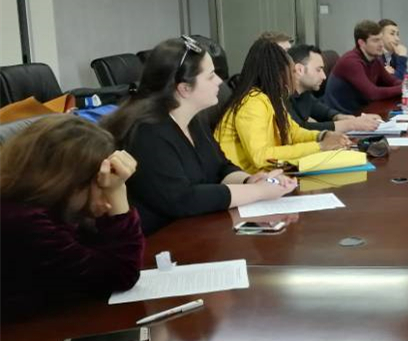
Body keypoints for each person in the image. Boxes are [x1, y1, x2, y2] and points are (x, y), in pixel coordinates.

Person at [103, 37, 298, 235]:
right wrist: (258, 192)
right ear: (184, 88)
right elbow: (182, 199)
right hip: (158, 240)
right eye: (211, 76)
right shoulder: (147, 132)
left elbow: (221, 168)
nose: (220, 81)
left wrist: (250, 180)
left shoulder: (194, 121)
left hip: (195, 230)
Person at [0, 115, 144, 320]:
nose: (106, 189)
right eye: (101, 182)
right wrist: (116, 194)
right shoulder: (28, 222)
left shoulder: (33, 205)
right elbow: (121, 274)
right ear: (73, 182)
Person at [216, 39, 350, 174]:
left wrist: (322, 136)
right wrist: (319, 146)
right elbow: (260, 156)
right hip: (245, 178)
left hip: (267, 174)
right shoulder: (252, 103)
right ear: (278, 74)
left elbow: (292, 132)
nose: (295, 76)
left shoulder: (273, 98)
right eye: (292, 72)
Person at [288, 44, 382, 133]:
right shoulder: (283, 97)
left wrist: (341, 117)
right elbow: (300, 130)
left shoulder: (304, 93)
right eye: (318, 70)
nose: (324, 76)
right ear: (299, 70)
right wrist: (351, 124)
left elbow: (322, 111)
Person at [322, 20, 402, 115]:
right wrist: (403, 88)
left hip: (363, 111)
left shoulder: (375, 59)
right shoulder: (351, 61)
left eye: (381, 39)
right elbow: (373, 93)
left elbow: (391, 81)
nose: (381, 44)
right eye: (376, 40)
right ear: (361, 43)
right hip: (344, 115)